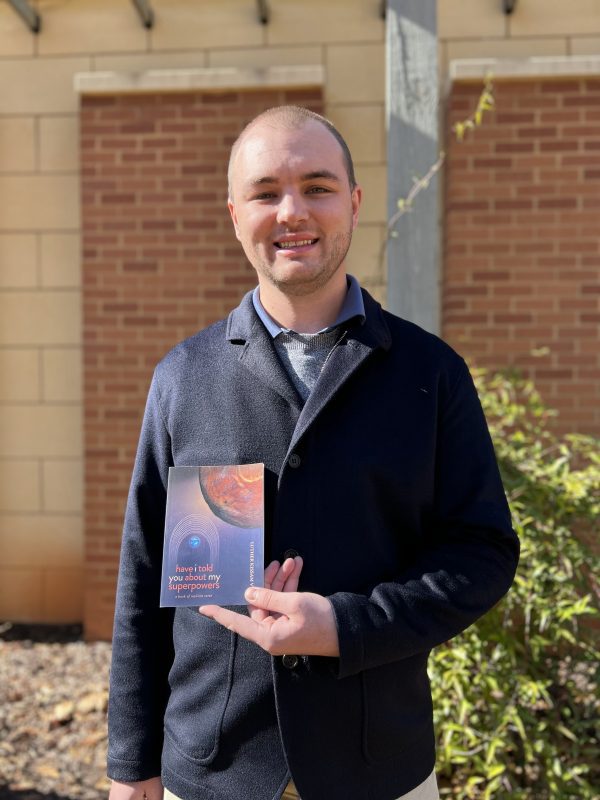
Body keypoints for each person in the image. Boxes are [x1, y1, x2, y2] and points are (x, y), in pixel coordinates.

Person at [107, 106, 519, 800]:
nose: (292, 211)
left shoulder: (429, 373)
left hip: (377, 765)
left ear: (353, 204)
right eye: (266, 192)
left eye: (318, 187)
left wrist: (344, 625)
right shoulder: (185, 377)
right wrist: (129, 766)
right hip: (212, 771)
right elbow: (145, 580)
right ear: (235, 213)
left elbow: (482, 552)